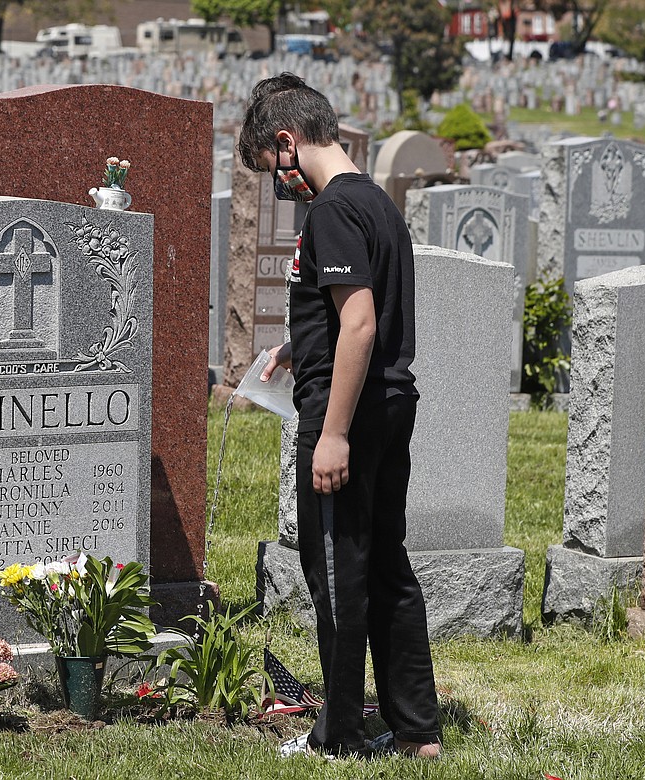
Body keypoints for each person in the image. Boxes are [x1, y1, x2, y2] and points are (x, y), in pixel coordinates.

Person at [237, 72, 441, 760]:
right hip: (391, 402)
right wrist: (301, 347)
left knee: (337, 573)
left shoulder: (331, 210)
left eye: (272, 168)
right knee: (385, 564)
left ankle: (339, 737)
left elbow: (359, 324)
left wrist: (331, 435)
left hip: (348, 415)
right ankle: (417, 732)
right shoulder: (378, 204)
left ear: (288, 141)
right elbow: (351, 315)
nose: (280, 184)